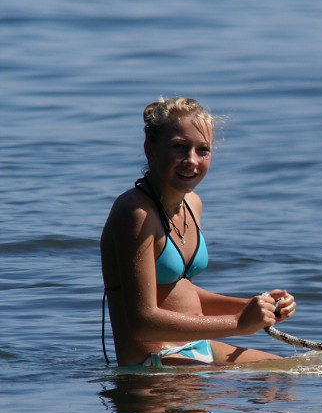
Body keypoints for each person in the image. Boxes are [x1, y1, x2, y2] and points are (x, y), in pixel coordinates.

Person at [101, 97, 297, 367]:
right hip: (154, 362)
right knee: (269, 388)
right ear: (151, 150)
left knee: (295, 373)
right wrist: (239, 323)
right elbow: (142, 324)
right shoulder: (135, 214)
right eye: (179, 148)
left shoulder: (193, 204)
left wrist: (254, 308)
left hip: (199, 347)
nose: (191, 161)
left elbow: (181, 293)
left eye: (202, 150)